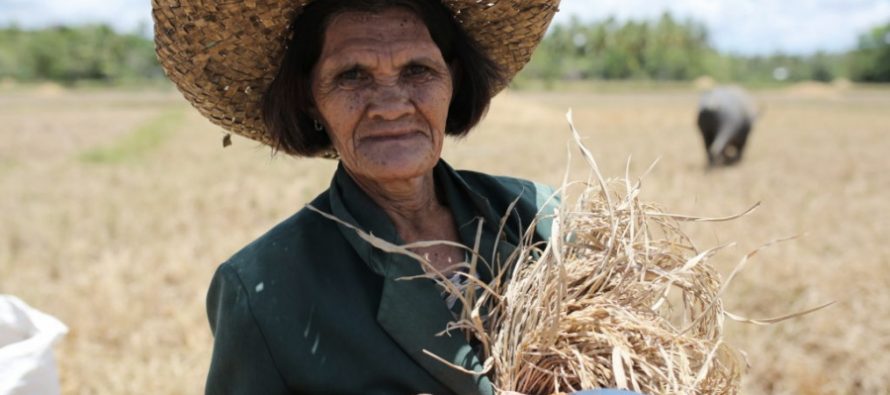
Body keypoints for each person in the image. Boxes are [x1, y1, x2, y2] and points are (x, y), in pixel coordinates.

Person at [153, 0, 560, 393]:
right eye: (352, 75)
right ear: (310, 99)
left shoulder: (541, 217)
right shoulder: (264, 288)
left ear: (451, 81)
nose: (391, 105)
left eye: (417, 70)